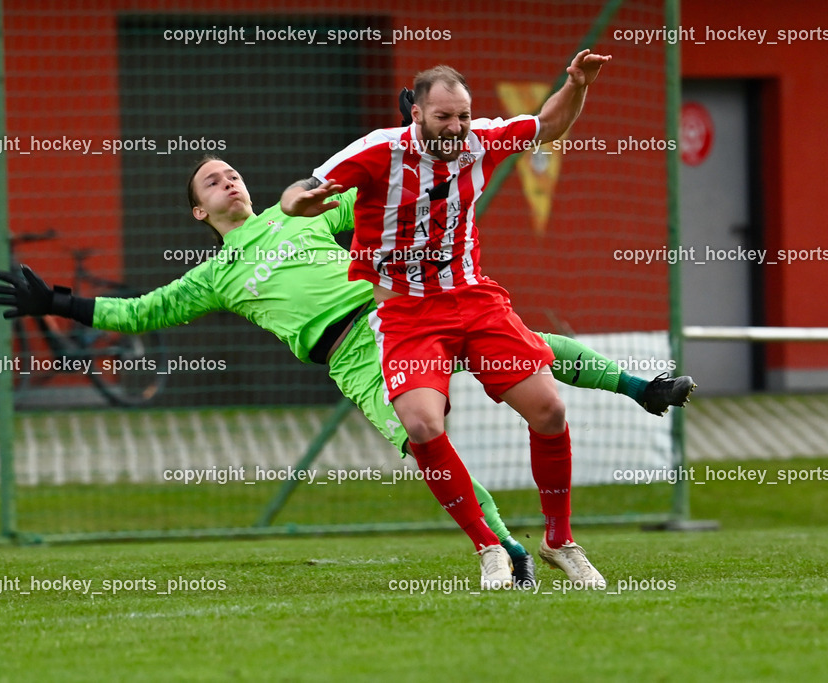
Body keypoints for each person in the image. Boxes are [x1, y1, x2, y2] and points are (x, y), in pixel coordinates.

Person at [0, 155, 693, 589]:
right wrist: (52, 301)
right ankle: (507, 550)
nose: (227, 177)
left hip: (405, 312)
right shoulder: (214, 275)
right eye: (211, 179)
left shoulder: (296, 214)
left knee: (529, 351)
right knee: (423, 437)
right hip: (354, 355)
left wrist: (409, 141)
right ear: (199, 210)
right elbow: (142, 311)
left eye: (230, 169)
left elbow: (376, 194)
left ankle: (645, 389)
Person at [281, 50, 661, 590]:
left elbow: (549, 123)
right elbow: (297, 190)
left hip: (474, 301)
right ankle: (489, 547)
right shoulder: (376, 151)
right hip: (407, 314)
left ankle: (559, 541)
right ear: (416, 113)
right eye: (444, 118)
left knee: (550, 410)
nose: (457, 127)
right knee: (422, 425)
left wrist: (577, 82)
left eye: (462, 115)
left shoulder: (483, 138)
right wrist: (302, 205)